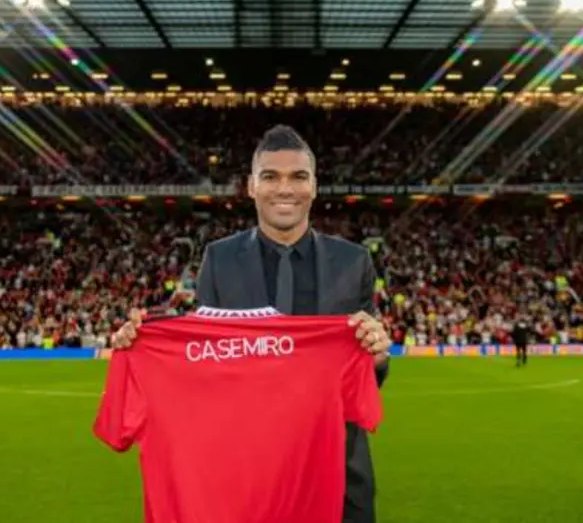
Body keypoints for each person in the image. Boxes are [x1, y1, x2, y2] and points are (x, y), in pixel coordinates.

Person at [113, 124, 393, 523]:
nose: (285, 189)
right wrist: (142, 346)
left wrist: (377, 355)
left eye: (298, 177)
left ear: (314, 186)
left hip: (338, 472)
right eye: (270, 177)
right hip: (247, 475)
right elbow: (207, 363)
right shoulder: (219, 259)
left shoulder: (353, 261)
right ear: (251, 187)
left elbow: (365, 374)